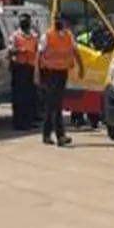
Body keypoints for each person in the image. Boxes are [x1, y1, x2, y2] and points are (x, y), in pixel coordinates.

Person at [35, 14, 83, 147]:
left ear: (64, 21)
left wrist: (81, 67)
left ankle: (46, 134)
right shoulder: (48, 36)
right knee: (56, 105)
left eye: (60, 20)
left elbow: (75, 51)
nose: (57, 22)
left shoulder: (68, 35)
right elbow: (39, 55)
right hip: (49, 73)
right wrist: (37, 73)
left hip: (62, 73)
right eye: (55, 20)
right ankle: (60, 135)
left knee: (52, 105)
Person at [8, 13, 39, 130]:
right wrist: (21, 50)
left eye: (26, 20)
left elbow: (38, 52)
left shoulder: (34, 36)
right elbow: (10, 51)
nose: (24, 22)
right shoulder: (15, 36)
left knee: (30, 97)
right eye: (22, 20)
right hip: (19, 69)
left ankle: (30, 121)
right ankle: (19, 123)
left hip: (31, 68)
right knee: (19, 98)